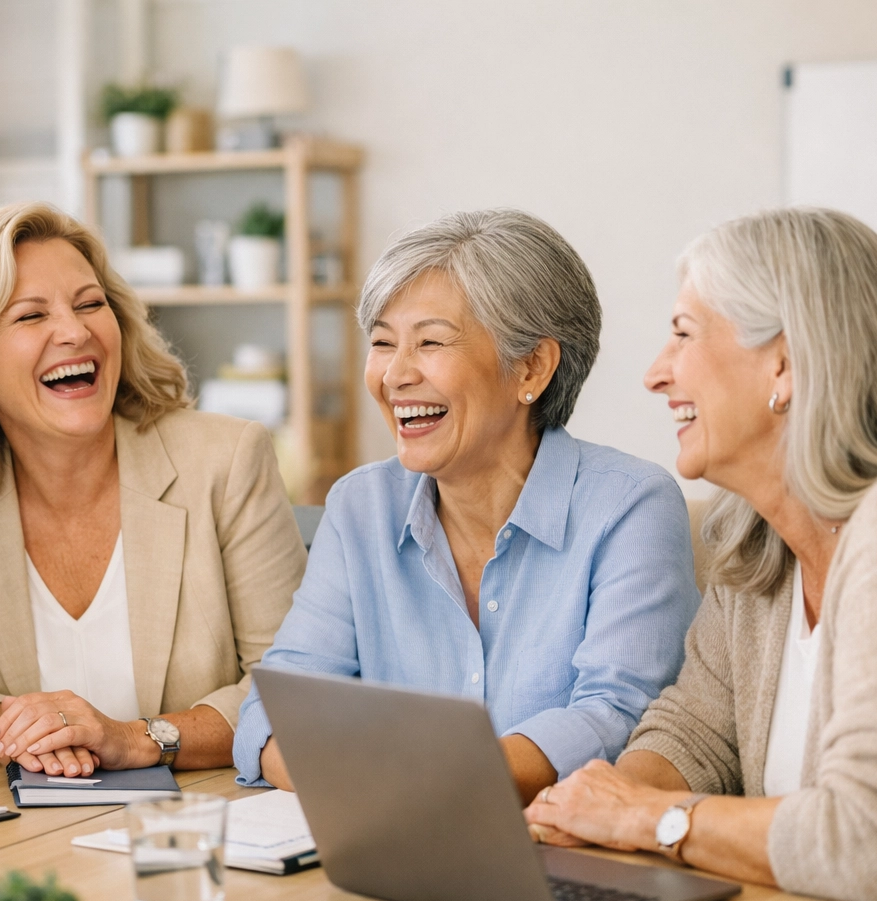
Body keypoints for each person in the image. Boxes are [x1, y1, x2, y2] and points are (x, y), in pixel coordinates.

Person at [524, 208, 877, 901]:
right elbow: (697, 731)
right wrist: (594, 809)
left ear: (784, 363)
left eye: (682, 334)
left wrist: (648, 819)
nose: (654, 374)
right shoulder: (762, 543)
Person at [232, 209, 701, 801]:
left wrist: (426, 778)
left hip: (564, 851)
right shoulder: (360, 506)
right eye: (382, 343)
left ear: (531, 367)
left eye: (429, 342)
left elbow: (621, 716)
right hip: (385, 839)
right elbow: (275, 709)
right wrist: (357, 789)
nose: (395, 375)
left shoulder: (631, 505)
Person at [0, 202, 305, 778]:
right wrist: (30, 731)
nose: (76, 331)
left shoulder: (226, 460)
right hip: (18, 825)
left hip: (205, 818)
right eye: (31, 316)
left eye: (90, 304)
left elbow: (291, 684)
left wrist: (135, 740)